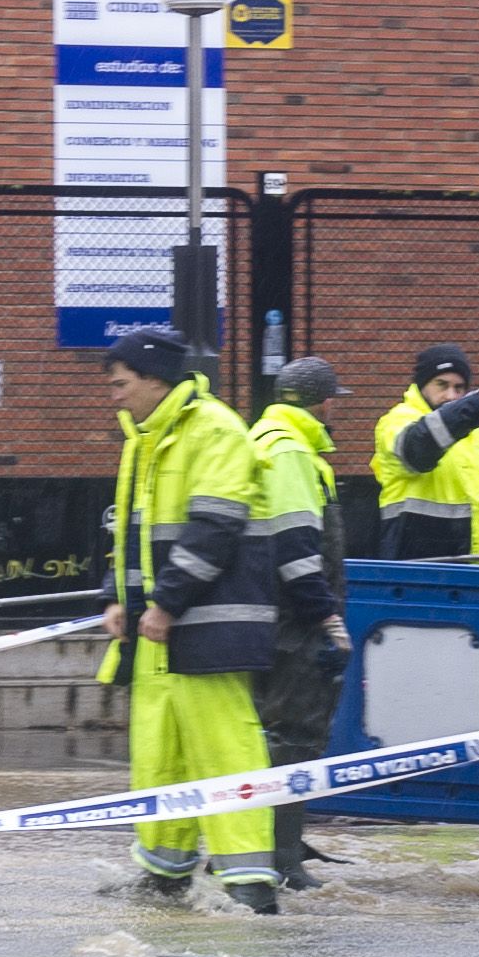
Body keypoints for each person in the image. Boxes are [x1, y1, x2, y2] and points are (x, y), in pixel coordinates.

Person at [98, 322, 284, 913]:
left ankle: (250, 888)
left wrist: (166, 603)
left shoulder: (215, 431)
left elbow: (216, 525)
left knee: (225, 754)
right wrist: (117, 596)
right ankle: (163, 876)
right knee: (160, 757)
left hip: (204, 626)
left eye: (122, 382)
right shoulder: (145, 438)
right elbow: (129, 532)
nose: (114, 393)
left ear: (155, 379)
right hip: (158, 632)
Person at [250, 354, 355, 889]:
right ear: (323, 402)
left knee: (275, 733)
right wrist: (325, 616)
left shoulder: (266, 440)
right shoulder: (292, 452)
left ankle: (270, 848)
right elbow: (296, 544)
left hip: (276, 618)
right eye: (334, 397)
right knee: (294, 736)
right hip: (296, 624)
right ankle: (282, 860)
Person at [371, 341, 479, 560]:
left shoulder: (473, 435)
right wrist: (471, 410)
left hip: (469, 565)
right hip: (415, 566)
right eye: (442, 385)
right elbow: (418, 451)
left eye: (459, 388)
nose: (451, 395)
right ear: (422, 385)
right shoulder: (396, 421)